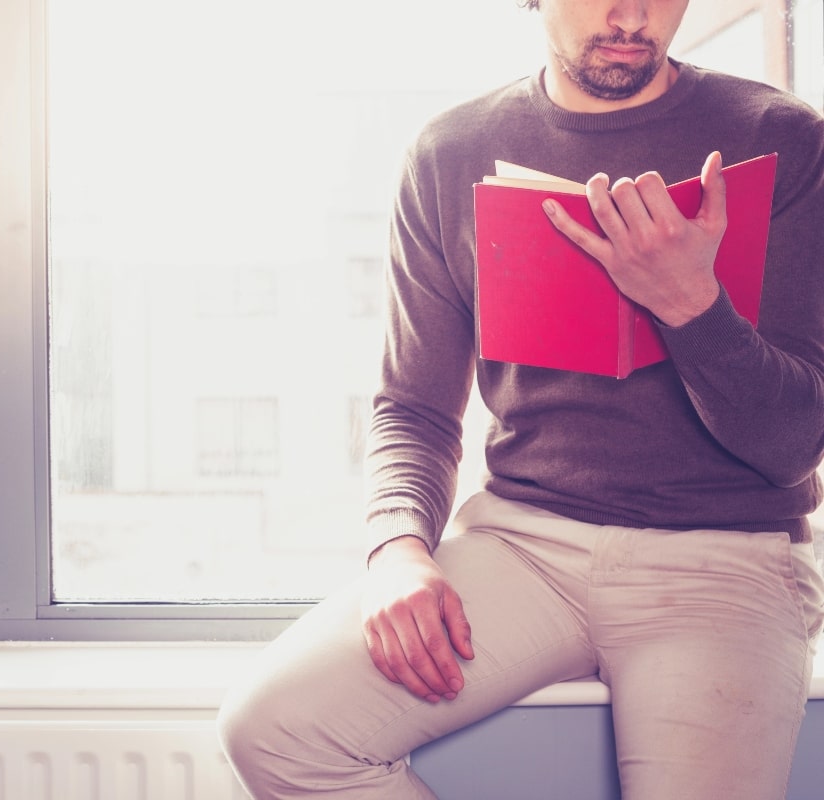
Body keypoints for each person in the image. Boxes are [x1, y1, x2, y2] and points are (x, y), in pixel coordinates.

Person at [216, 1, 824, 797]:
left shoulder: (779, 137)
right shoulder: (448, 153)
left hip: (723, 561)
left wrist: (692, 309)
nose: (631, 13)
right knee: (274, 732)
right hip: (524, 545)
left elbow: (793, 444)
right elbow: (413, 407)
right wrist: (397, 551)